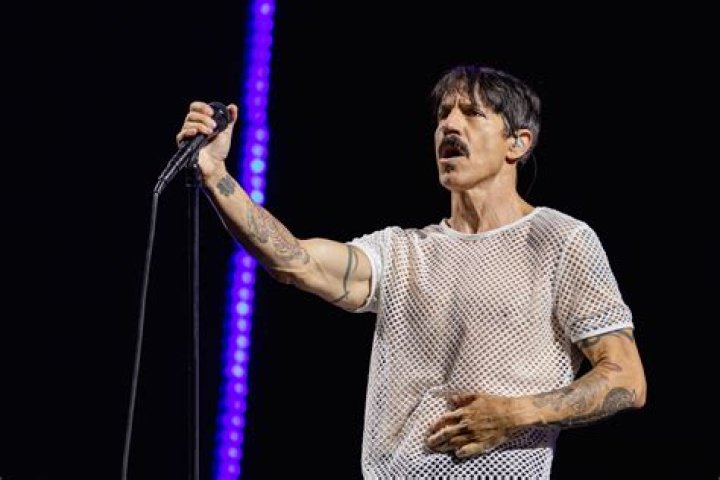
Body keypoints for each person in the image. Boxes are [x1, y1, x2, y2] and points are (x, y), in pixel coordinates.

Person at [176, 64, 647, 479]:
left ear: (518, 142)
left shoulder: (560, 240)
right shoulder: (404, 251)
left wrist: (516, 413)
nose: (449, 125)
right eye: (443, 115)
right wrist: (216, 174)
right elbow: (294, 262)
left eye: (472, 113)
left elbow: (626, 378)